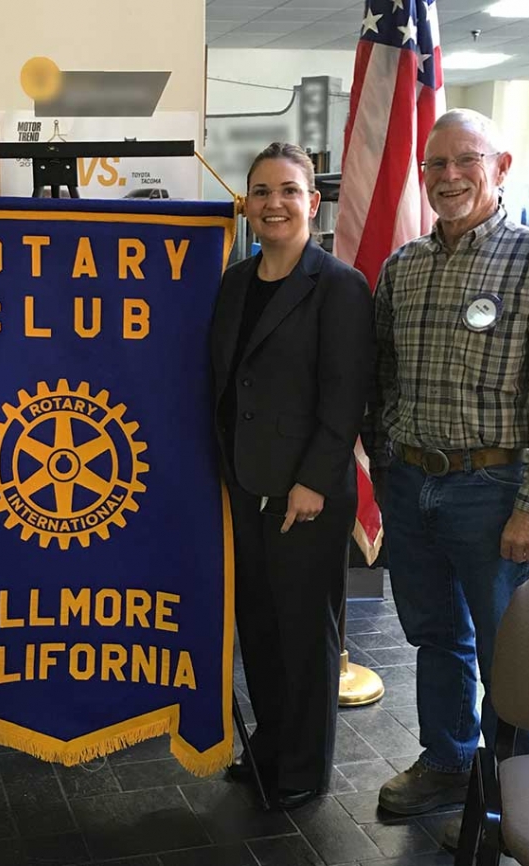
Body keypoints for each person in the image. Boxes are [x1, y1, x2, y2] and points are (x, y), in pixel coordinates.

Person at [365, 109, 529, 825]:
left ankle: (509, 786)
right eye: (437, 165)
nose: (450, 176)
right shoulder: (404, 266)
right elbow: (384, 379)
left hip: (493, 494)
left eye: (467, 160)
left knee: (507, 652)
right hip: (410, 482)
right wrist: (388, 462)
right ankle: (446, 760)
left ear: (500, 166)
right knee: (435, 637)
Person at [211, 142, 374, 807]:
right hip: (243, 487)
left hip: (304, 494)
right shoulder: (233, 284)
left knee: (306, 637)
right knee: (260, 630)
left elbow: (346, 398)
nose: (272, 203)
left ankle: (303, 770)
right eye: (260, 191)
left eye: (287, 191)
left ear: (312, 202)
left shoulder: (338, 285)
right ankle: (269, 749)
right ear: (245, 204)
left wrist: (311, 483)